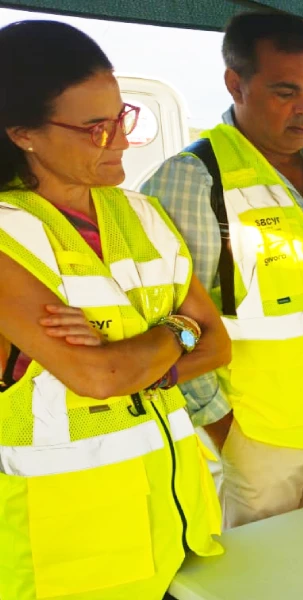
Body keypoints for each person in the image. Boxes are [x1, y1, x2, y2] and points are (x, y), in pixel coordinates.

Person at [0, 20, 226, 599]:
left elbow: (217, 345)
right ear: (23, 133)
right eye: (95, 129)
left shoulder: (142, 214)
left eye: (122, 118)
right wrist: (177, 332)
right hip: (64, 555)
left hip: (173, 526)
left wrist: (144, 347)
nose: (122, 142)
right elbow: (99, 376)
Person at [141, 12, 303, 529]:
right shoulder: (194, 178)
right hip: (259, 441)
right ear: (235, 84)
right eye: (284, 92)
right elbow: (163, 320)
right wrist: (225, 429)